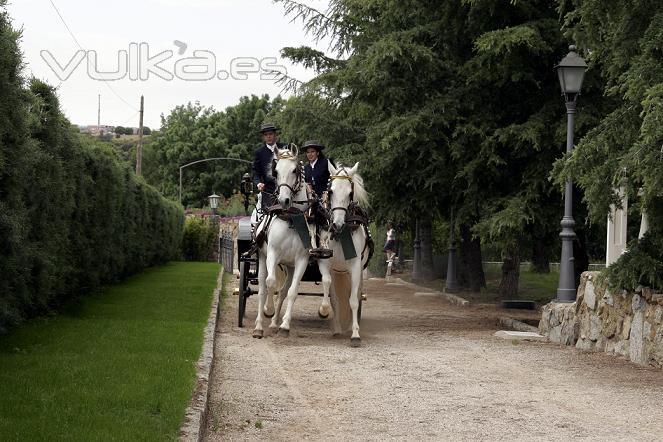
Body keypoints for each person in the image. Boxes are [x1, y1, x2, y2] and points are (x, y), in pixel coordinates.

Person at [302, 140, 333, 259]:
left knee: (325, 214)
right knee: (307, 215)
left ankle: (325, 242)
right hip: (310, 200)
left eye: (312, 152)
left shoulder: (326, 163)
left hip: (325, 197)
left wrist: (326, 193)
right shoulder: (305, 168)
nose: (310, 154)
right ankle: (310, 244)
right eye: (308, 152)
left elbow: (333, 179)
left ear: (318, 152)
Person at [251, 123, 286, 214]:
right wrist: (258, 183)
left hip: (285, 189)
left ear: (275, 135)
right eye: (266, 135)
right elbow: (255, 172)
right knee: (267, 218)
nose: (269, 137)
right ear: (263, 137)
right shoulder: (259, 153)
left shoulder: (285, 148)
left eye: (270, 134)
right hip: (268, 191)